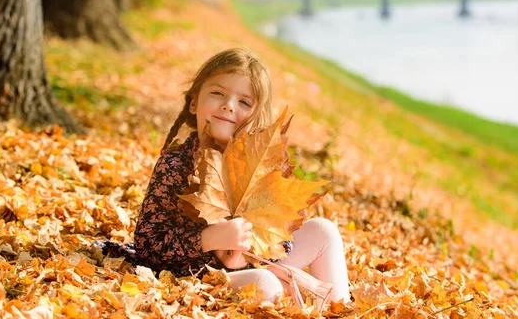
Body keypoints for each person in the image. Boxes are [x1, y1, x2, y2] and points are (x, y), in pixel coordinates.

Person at [123, 48, 350, 303]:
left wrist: (247, 253)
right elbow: (147, 244)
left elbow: (281, 235)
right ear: (194, 101)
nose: (228, 106)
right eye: (217, 93)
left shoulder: (260, 169)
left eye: (244, 102)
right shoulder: (175, 165)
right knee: (265, 283)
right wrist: (207, 239)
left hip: (251, 265)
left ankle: (339, 308)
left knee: (323, 230)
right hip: (196, 277)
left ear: (257, 117)